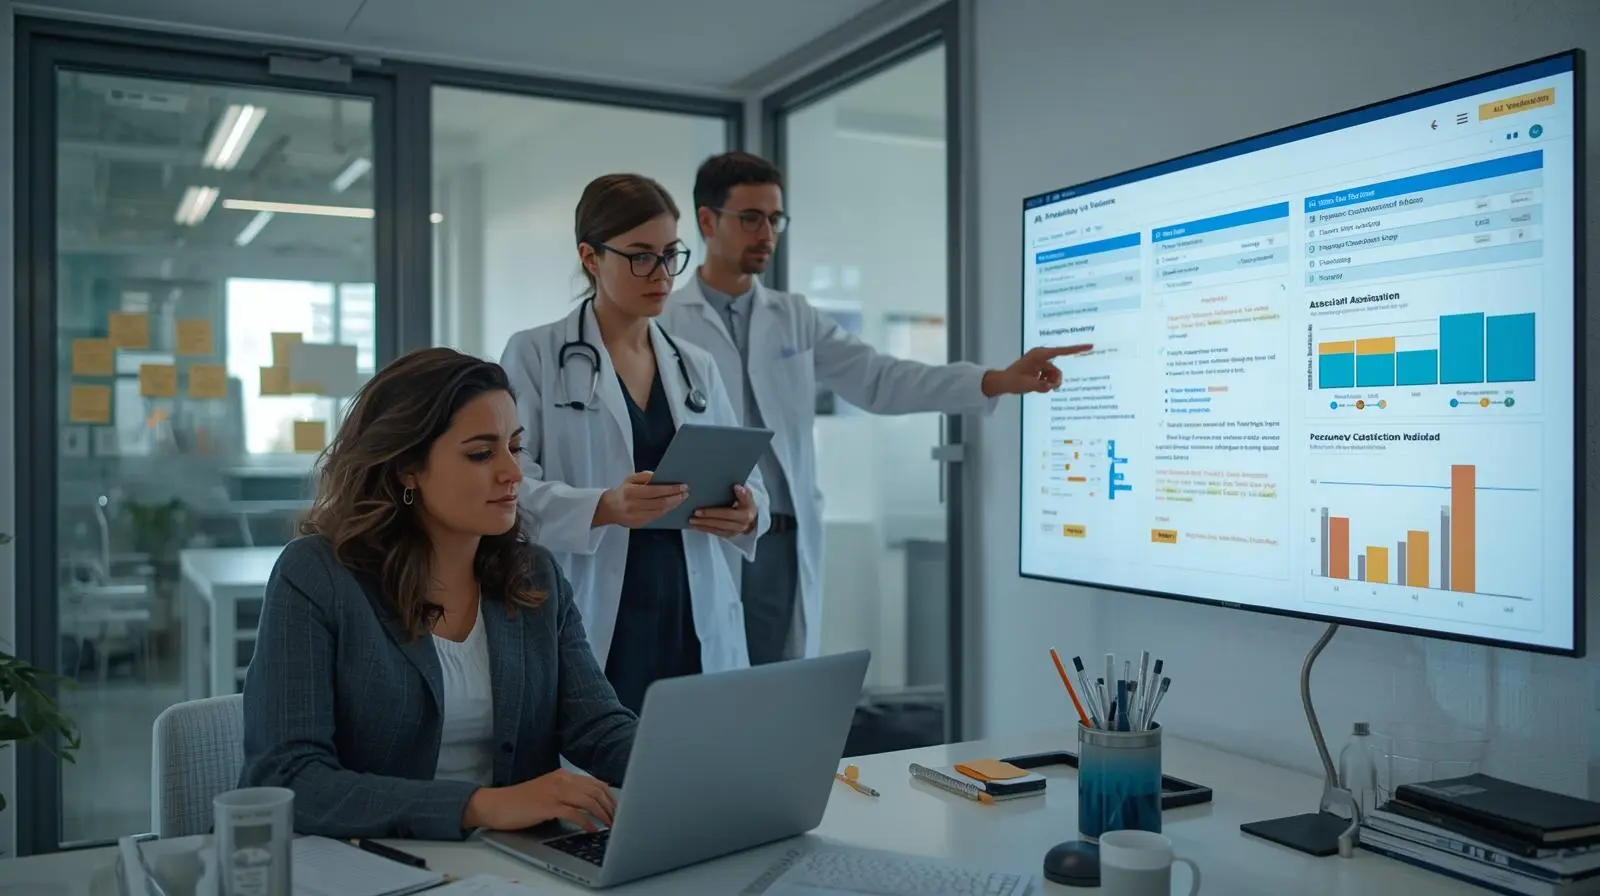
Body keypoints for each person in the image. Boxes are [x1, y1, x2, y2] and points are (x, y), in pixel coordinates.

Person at [660, 151, 1092, 664]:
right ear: (708, 221)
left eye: (775, 219)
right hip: (703, 534)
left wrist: (994, 380)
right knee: (702, 681)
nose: (767, 234)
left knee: (772, 686)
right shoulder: (666, 320)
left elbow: (880, 380)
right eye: (751, 218)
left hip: (781, 539)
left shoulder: (793, 316)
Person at [240, 347, 634, 840]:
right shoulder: (317, 576)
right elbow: (287, 777)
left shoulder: (535, 576)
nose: (513, 472)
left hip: (514, 865)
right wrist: (480, 806)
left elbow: (598, 728)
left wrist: (700, 762)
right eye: (481, 454)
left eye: (514, 447)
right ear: (408, 467)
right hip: (366, 862)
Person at [499, 173, 768, 713]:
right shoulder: (534, 355)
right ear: (590, 257)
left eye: (670, 255)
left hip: (691, 607)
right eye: (641, 256)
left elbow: (750, 477)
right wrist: (603, 506)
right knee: (604, 755)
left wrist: (747, 512)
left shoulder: (696, 366)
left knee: (698, 750)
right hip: (598, 609)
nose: (662, 274)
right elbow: (507, 487)